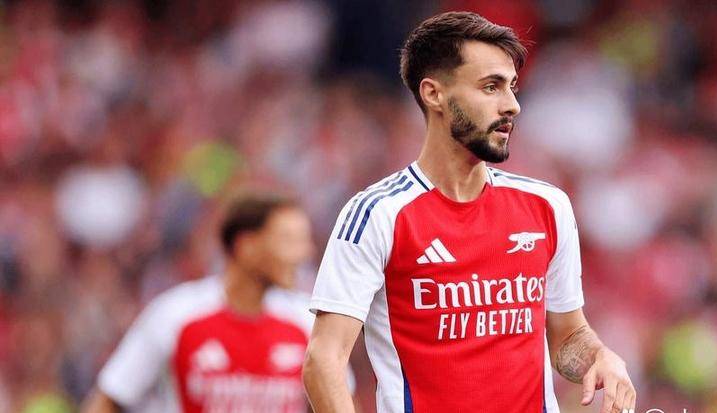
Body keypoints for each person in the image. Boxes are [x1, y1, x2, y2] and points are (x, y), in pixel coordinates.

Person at [303, 11, 636, 413]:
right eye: (491, 87)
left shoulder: (548, 206)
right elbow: (324, 361)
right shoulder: (377, 214)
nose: (512, 105)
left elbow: (567, 336)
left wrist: (599, 356)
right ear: (434, 94)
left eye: (512, 87)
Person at [82, 194, 315, 413]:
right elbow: (109, 398)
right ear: (247, 245)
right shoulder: (175, 314)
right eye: (288, 240)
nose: (304, 253)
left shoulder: (308, 321)